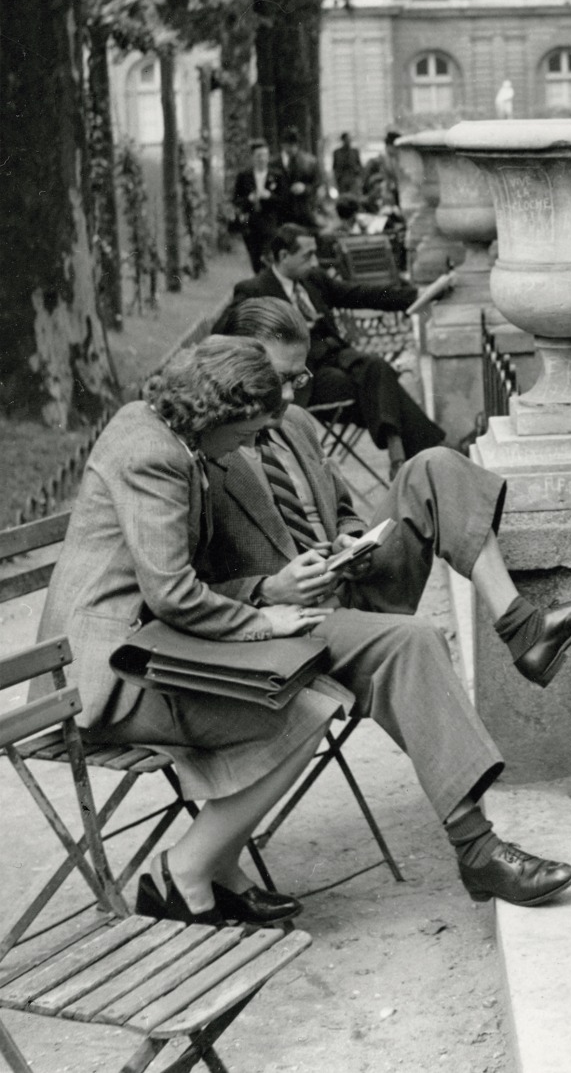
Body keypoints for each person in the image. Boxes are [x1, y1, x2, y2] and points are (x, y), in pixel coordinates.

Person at [200, 296, 571, 906]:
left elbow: (342, 504)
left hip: (344, 582)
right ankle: (478, 850)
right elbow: (189, 584)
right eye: (277, 381)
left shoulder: (297, 426)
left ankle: (522, 629)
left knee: (435, 464)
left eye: (298, 378)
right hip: (288, 627)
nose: (291, 395)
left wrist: (351, 538)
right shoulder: (207, 447)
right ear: (233, 371)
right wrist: (268, 590)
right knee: (414, 643)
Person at [37, 338, 341, 926]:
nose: (252, 443)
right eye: (248, 429)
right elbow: (172, 593)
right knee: (307, 710)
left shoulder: (163, 432)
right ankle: (186, 870)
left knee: (311, 693)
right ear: (216, 414)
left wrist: (262, 600)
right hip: (104, 677)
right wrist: (261, 620)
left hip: (145, 649)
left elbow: (173, 587)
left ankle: (219, 869)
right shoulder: (153, 454)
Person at [217, 223, 449, 471]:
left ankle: (405, 457)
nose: (315, 261)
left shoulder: (313, 280)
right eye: (307, 255)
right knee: (382, 388)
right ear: (284, 256)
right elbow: (224, 334)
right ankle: (424, 455)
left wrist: (419, 296)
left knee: (376, 367)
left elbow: (360, 294)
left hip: (339, 358)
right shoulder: (255, 289)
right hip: (305, 378)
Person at [231, 139, 285, 271]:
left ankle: (268, 283)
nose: (262, 159)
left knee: (267, 257)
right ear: (252, 158)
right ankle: (259, 284)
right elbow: (236, 199)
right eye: (258, 156)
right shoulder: (244, 176)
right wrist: (249, 199)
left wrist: (270, 196)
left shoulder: (277, 175)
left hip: (270, 223)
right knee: (255, 260)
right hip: (251, 224)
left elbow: (284, 200)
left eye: (265, 155)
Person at [277, 126, 321, 228]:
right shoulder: (274, 163)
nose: (291, 148)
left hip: (304, 210)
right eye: (288, 145)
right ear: (282, 145)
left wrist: (305, 188)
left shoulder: (310, 162)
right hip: (281, 212)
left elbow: (317, 184)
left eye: (294, 145)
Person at [332, 132, 363, 196]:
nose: (349, 141)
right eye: (347, 139)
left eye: (349, 139)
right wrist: (337, 178)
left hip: (353, 178)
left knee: (354, 197)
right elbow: (334, 167)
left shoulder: (355, 151)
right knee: (344, 198)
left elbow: (359, 165)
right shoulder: (337, 152)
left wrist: (359, 176)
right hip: (342, 179)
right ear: (343, 140)